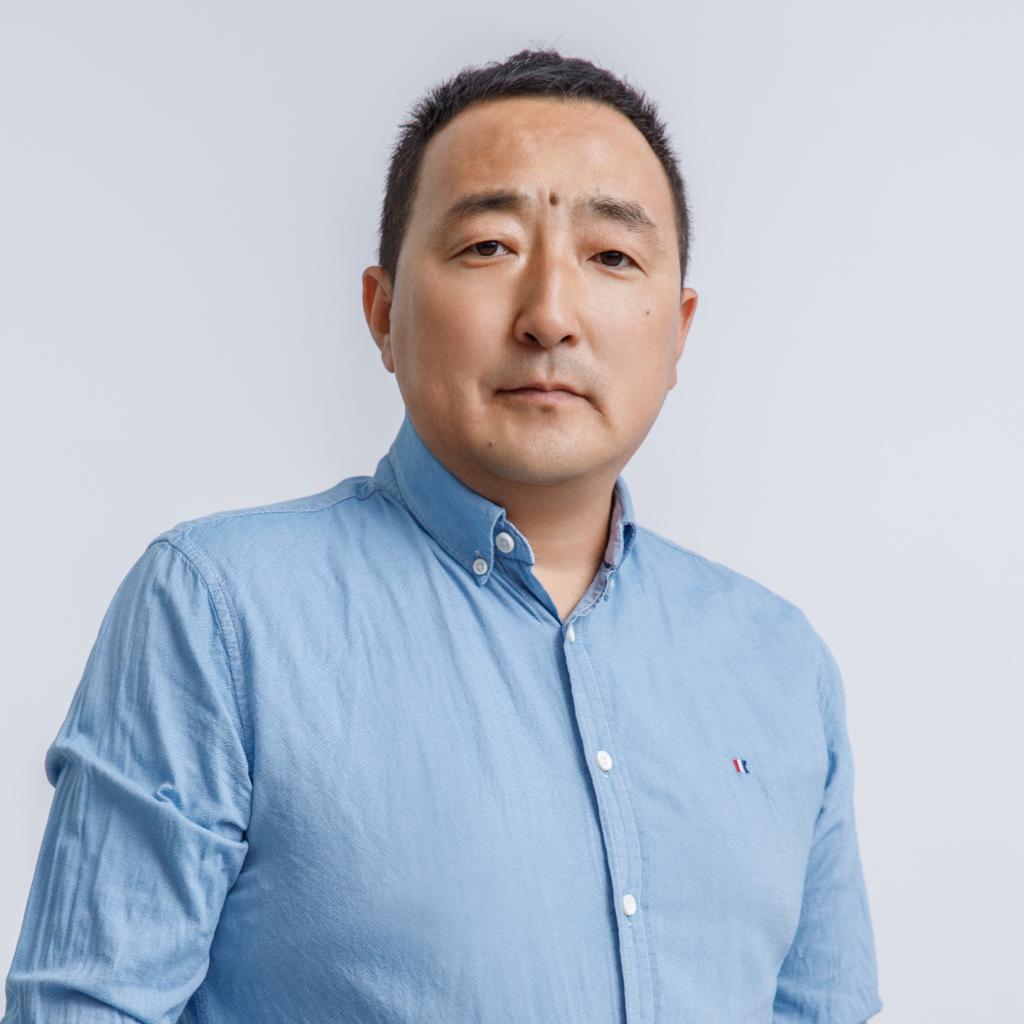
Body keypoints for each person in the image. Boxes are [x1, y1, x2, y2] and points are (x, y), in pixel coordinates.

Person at [1, 47, 883, 1024]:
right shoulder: (217, 613)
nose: (550, 316)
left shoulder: (779, 664)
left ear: (678, 331)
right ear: (383, 313)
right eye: (488, 247)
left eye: (611, 256)